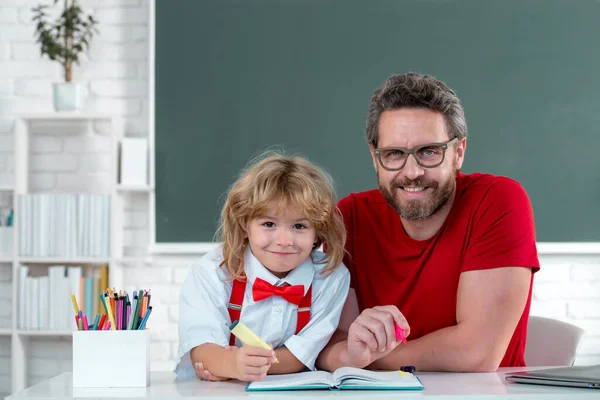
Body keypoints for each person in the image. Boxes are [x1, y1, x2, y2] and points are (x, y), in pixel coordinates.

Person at [316, 72, 540, 373]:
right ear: (374, 157)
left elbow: (477, 353)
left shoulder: (498, 200)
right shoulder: (349, 217)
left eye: (429, 152)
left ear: (458, 152)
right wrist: (344, 353)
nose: (412, 172)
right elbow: (319, 345)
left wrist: (359, 358)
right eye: (394, 154)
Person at [175, 152, 352, 382]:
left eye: (299, 226)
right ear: (244, 225)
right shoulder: (212, 271)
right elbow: (201, 349)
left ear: (318, 231)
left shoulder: (331, 278)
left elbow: (302, 355)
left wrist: (242, 367)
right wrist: (232, 364)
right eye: (269, 224)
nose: (284, 240)